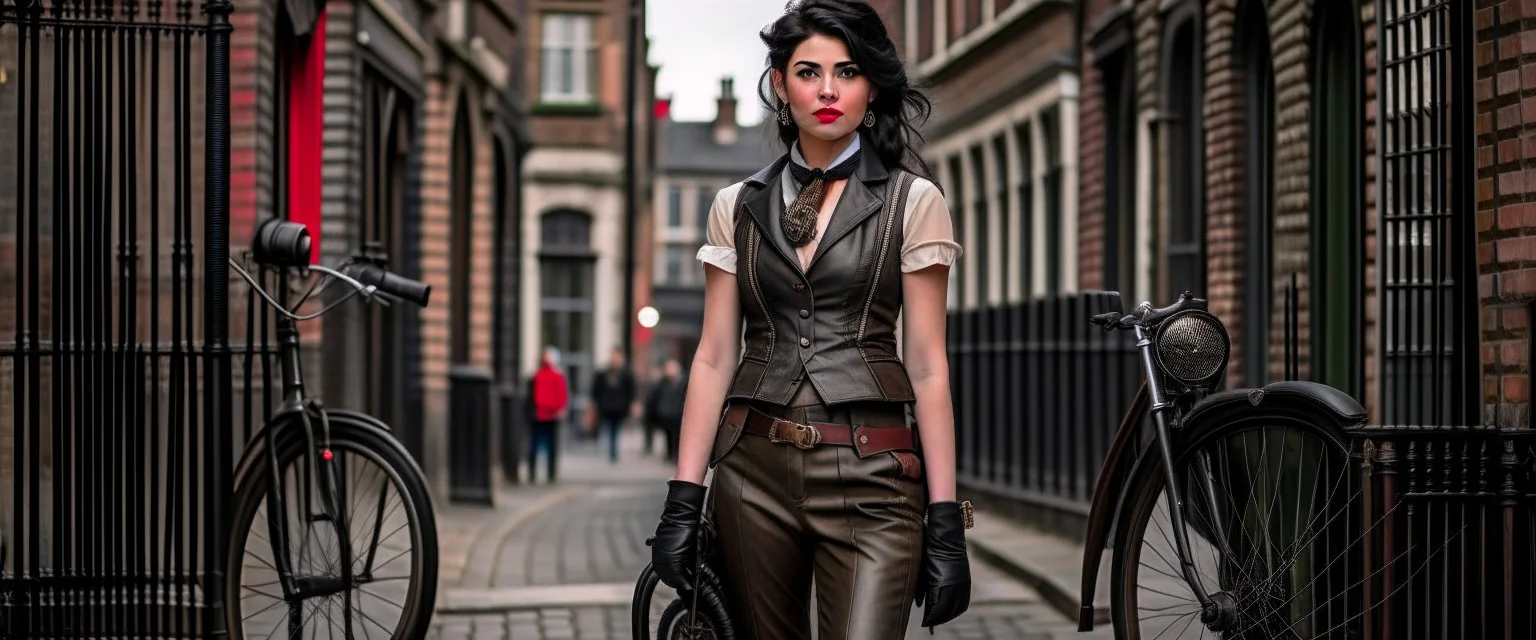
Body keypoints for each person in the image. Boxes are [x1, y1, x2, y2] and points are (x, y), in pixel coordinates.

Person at [648, 2, 972, 637]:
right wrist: (683, 500)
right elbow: (714, 354)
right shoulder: (734, 207)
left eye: (847, 72)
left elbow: (929, 365)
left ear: (871, 85)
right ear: (779, 82)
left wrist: (943, 518)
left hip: (875, 477)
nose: (827, 90)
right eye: (808, 71)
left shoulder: (915, 202)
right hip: (752, 477)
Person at [527, 345, 569, 483]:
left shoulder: (553, 376)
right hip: (540, 415)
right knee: (538, 446)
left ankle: (549, 473)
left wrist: (560, 408)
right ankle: (535, 473)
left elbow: (561, 394)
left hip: (549, 415)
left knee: (548, 446)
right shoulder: (539, 375)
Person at [588, 347, 637, 463]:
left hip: (618, 407)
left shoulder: (626, 374)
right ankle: (606, 449)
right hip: (605, 407)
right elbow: (596, 390)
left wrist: (632, 404)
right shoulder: (603, 373)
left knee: (614, 430)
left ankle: (613, 452)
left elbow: (631, 391)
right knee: (605, 428)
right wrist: (593, 404)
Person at [643, 359, 688, 462]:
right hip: (666, 413)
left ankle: (676, 454)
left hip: (678, 413)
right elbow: (655, 397)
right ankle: (669, 454)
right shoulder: (663, 383)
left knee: (677, 435)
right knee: (667, 435)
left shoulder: (683, 381)